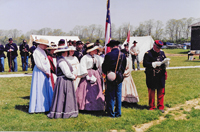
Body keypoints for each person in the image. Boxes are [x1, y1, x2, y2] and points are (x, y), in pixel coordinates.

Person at [47, 46, 78, 119]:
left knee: (63, 96)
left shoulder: (62, 60)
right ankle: (64, 112)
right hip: (64, 81)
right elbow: (67, 73)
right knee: (63, 96)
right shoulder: (62, 61)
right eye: (67, 51)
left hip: (64, 80)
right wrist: (73, 76)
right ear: (64, 52)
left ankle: (66, 111)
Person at [76, 43, 105, 111]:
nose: (96, 51)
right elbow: (82, 66)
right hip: (88, 74)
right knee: (87, 90)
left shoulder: (97, 57)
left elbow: (101, 65)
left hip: (96, 74)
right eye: (94, 50)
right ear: (90, 50)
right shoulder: (85, 57)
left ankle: (97, 106)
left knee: (97, 89)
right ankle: (85, 106)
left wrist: (101, 73)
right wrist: (86, 75)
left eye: (96, 50)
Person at [143, 40, 169, 113]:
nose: (159, 49)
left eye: (160, 48)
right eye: (157, 47)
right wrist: (152, 64)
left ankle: (160, 106)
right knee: (151, 91)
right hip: (152, 75)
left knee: (161, 91)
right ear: (154, 45)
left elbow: (164, 60)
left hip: (160, 75)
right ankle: (152, 106)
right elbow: (145, 64)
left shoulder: (162, 53)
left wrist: (166, 63)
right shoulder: (148, 53)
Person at [102, 40, 127, 117]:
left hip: (111, 75)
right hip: (119, 76)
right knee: (118, 94)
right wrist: (119, 73)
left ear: (111, 47)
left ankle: (111, 112)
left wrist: (107, 73)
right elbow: (124, 66)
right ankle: (118, 112)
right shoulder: (123, 55)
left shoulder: (108, 55)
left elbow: (104, 67)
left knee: (111, 94)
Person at [29, 38, 53, 113]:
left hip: (45, 71)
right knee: (39, 87)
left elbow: (46, 61)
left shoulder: (43, 51)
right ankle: (39, 107)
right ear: (41, 44)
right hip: (40, 71)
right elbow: (38, 64)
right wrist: (45, 71)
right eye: (45, 45)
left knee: (45, 87)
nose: (46, 46)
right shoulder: (36, 52)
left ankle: (46, 105)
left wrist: (48, 70)